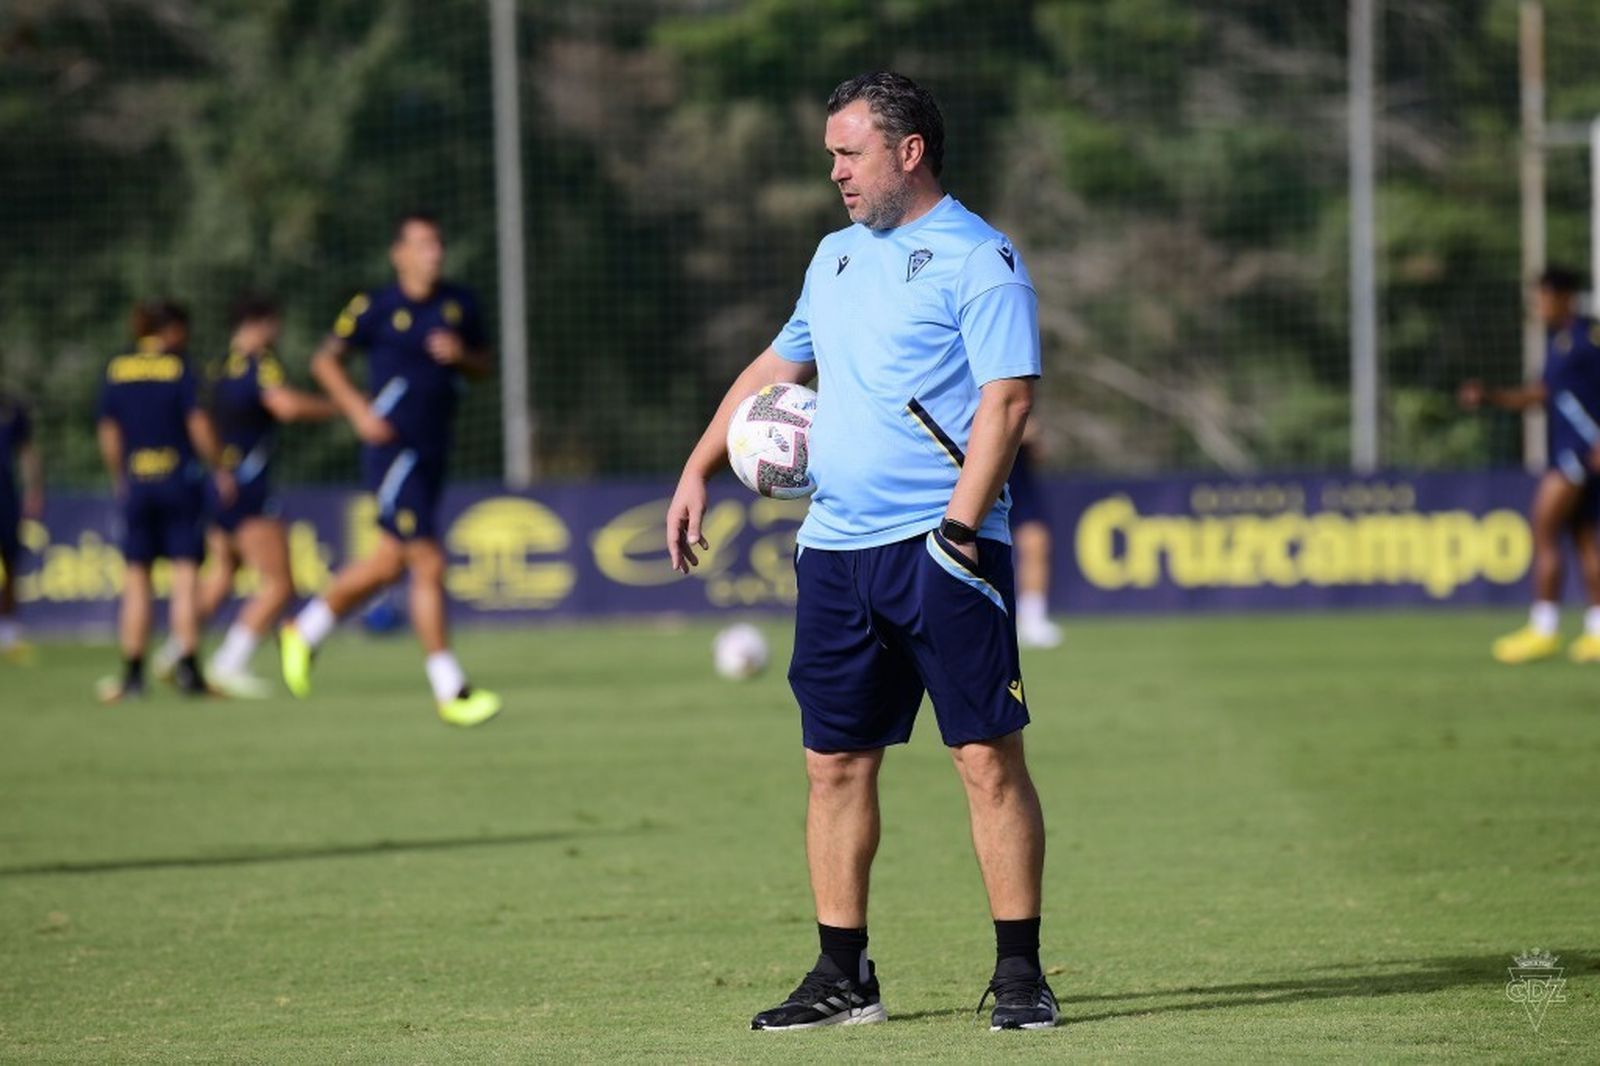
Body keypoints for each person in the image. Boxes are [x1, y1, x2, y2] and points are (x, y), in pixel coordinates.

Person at [667, 72, 1056, 1032]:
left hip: (943, 549)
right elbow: (777, 367)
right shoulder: (834, 256)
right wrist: (698, 465)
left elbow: (1009, 402)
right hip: (835, 552)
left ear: (909, 151)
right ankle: (844, 978)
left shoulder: (981, 258)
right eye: (831, 156)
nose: (835, 172)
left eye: (850, 153)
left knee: (985, 758)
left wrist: (958, 534)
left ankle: (1020, 973)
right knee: (834, 766)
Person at [279, 213, 502, 726]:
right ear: (398, 254)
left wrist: (462, 355)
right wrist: (358, 411)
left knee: (387, 564)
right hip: (393, 453)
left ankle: (304, 629)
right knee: (427, 561)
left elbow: (485, 366)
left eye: (437, 243)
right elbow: (324, 361)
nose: (434, 253)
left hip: (433, 451)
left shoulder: (460, 303)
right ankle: (451, 690)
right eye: (422, 244)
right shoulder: (376, 306)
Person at [152, 296, 338, 697]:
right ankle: (229, 662)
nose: (278, 332)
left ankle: (175, 651)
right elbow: (286, 406)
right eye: (275, 323)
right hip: (249, 487)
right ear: (261, 323)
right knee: (280, 585)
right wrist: (341, 406)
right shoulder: (261, 365)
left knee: (222, 574)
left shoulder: (215, 368)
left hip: (218, 482)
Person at [95, 301, 234, 701]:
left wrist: (120, 476)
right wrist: (220, 466)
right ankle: (188, 669)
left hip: (137, 483)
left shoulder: (118, 368)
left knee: (136, 577)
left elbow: (109, 430)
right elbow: (198, 423)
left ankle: (132, 675)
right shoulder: (179, 367)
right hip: (178, 482)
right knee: (184, 575)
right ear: (172, 329)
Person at [1460, 266, 1600, 663]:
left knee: (1545, 526)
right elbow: (1543, 394)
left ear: (1565, 296)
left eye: (1544, 297)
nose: (1539, 306)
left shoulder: (1588, 338)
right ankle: (1596, 630)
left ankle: (1544, 627)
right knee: (1584, 537)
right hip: (1574, 452)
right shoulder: (1558, 342)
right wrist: (1492, 396)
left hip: (1579, 452)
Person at [1008, 425, 1062, 649]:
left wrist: (1032, 436)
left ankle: (1032, 619)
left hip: (1016, 482)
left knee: (1036, 542)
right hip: (974, 478)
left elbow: (1039, 455)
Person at [0, 387, 43, 662]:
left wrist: (34, 489)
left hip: (5, 496)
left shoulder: (11, 407)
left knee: (11, 561)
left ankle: (8, 632)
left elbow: (27, 451)